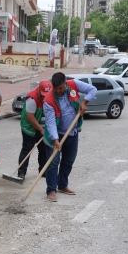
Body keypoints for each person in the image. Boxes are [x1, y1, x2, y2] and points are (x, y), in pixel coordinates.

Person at [42, 72, 96, 202]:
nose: (59, 91)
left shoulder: (73, 85)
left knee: (68, 160)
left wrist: (84, 102)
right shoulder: (48, 100)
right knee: (53, 163)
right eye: (56, 89)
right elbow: (50, 122)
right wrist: (56, 139)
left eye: (61, 88)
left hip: (72, 132)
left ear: (65, 83)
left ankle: (62, 185)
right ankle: (51, 190)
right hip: (55, 135)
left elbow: (92, 90)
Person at [16, 80, 52, 181]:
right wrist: (41, 129)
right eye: (43, 95)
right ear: (39, 90)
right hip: (29, 126)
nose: (45, 97)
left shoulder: (51, 95)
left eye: (47, 95)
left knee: (43, 149)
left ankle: (43, 171)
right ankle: (21, 172)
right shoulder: (32, 98)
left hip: (42, 125)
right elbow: (30, 117)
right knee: (27, 149)